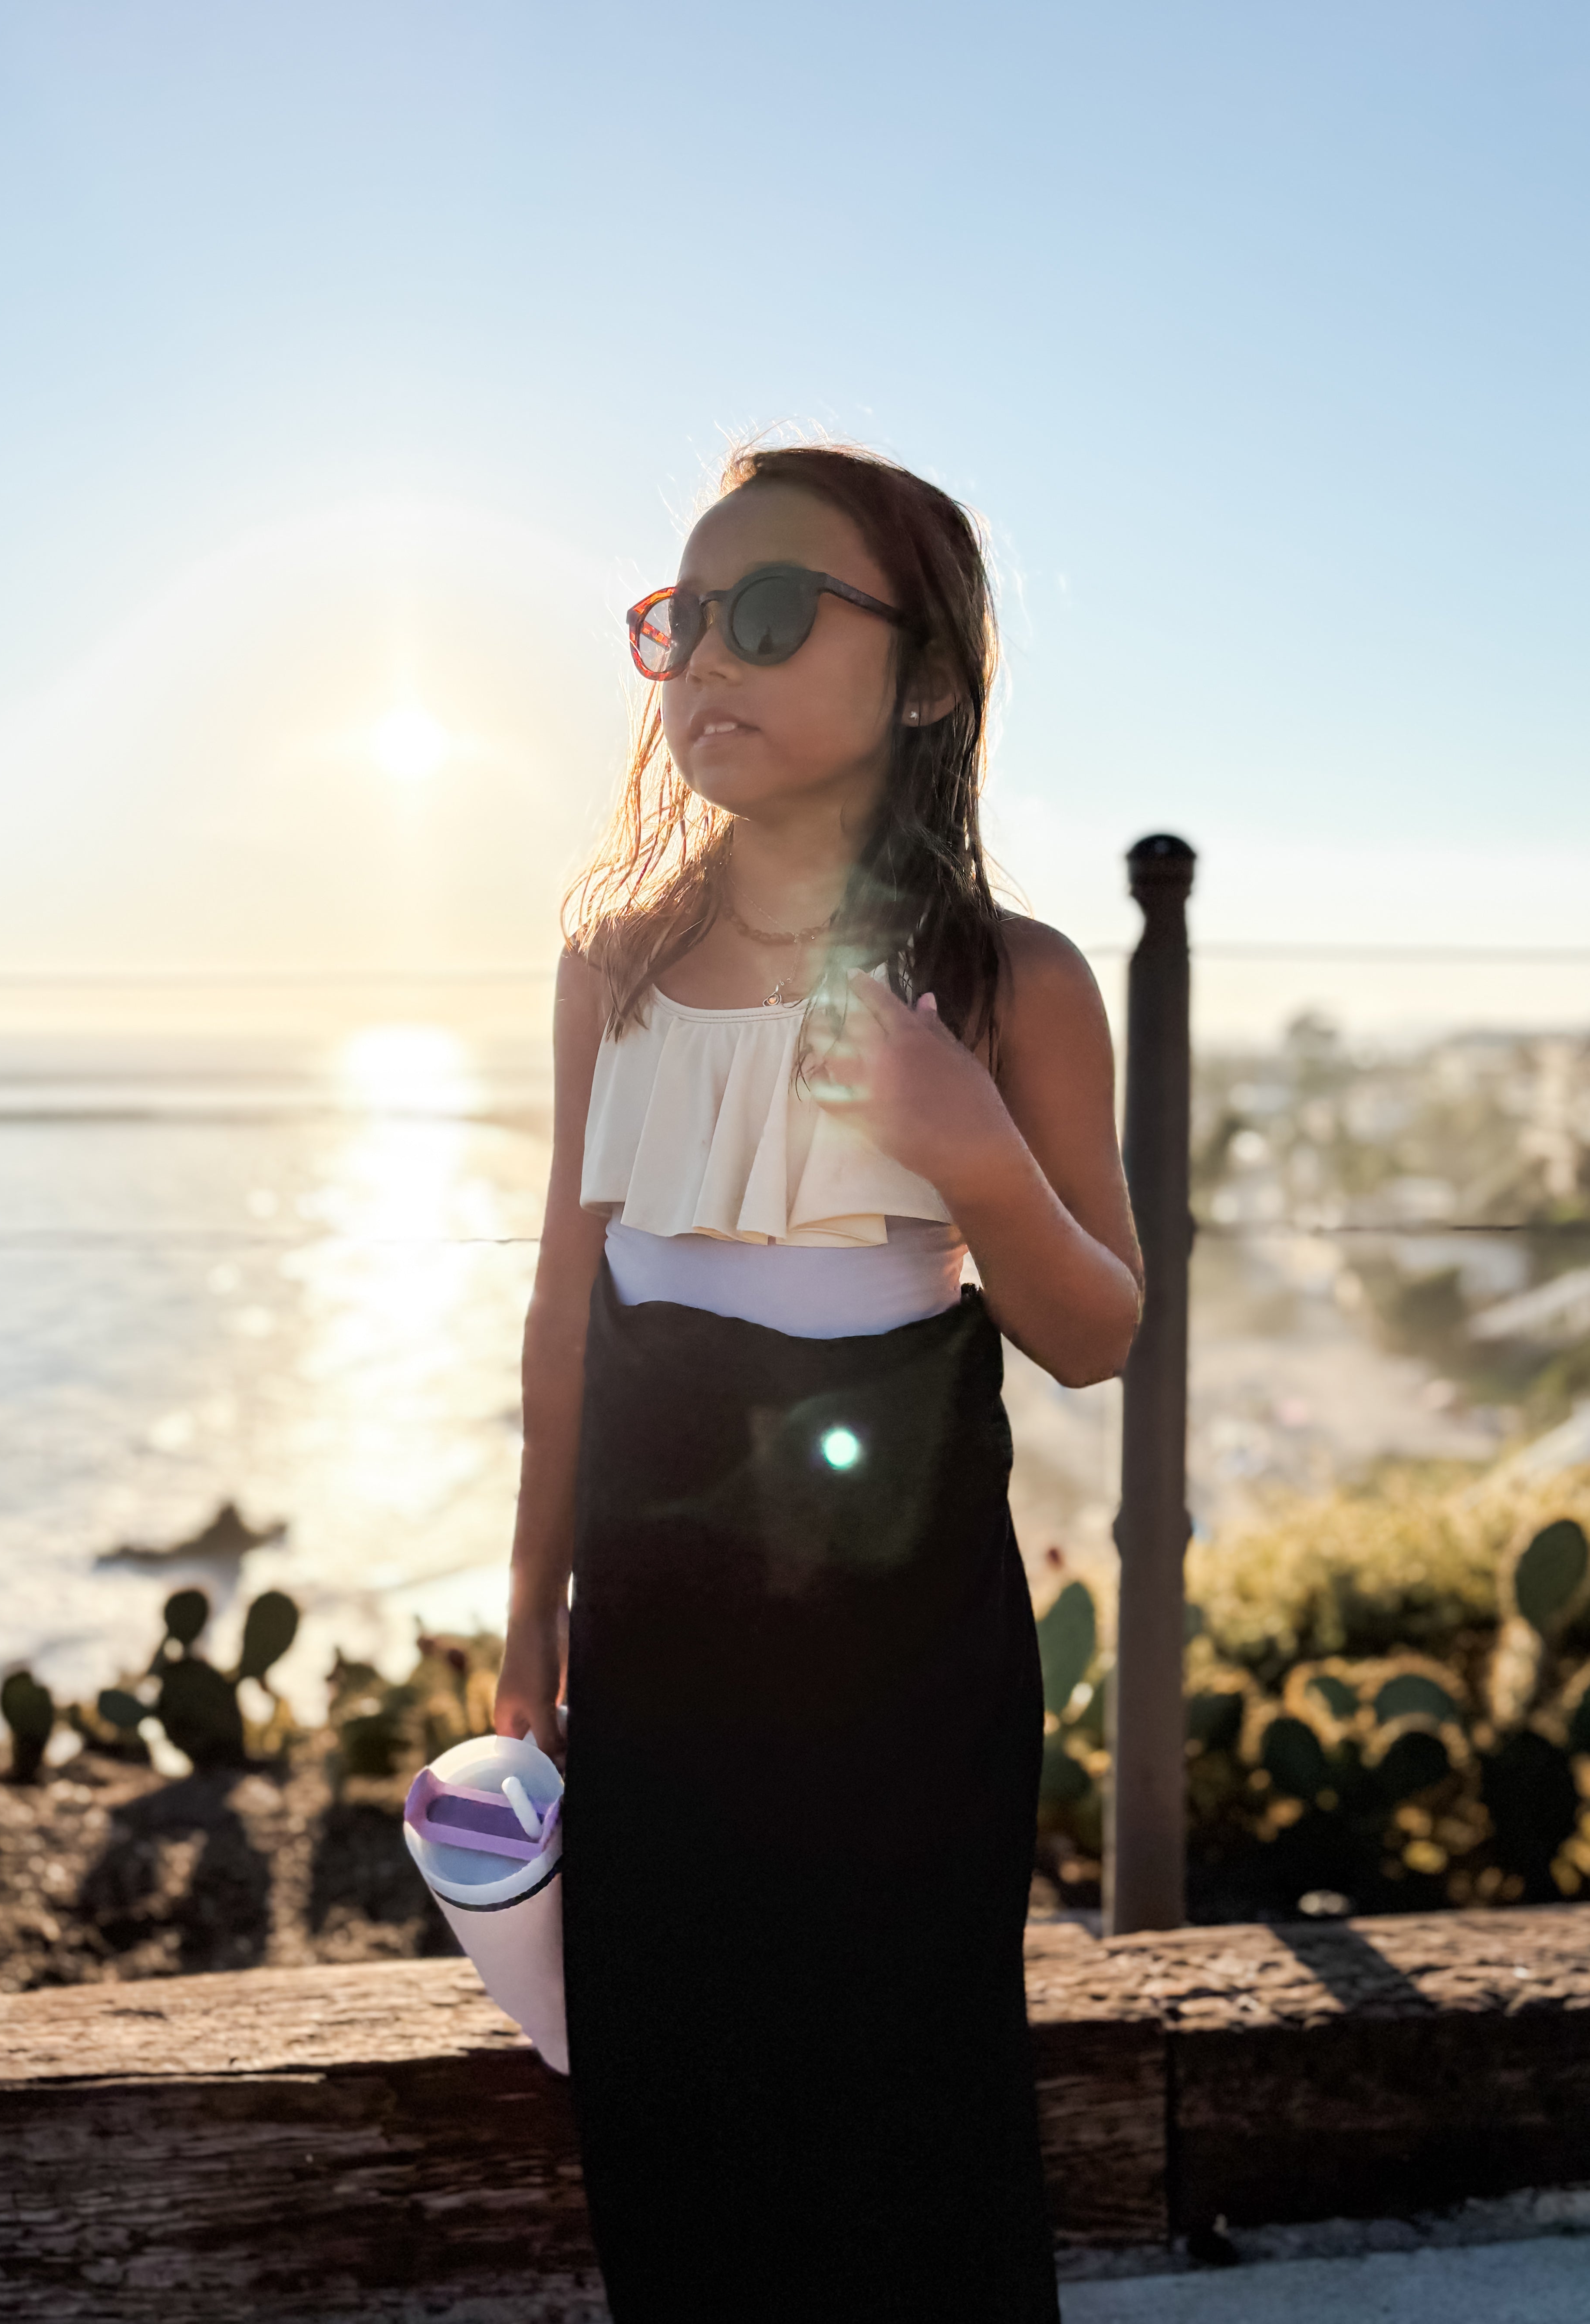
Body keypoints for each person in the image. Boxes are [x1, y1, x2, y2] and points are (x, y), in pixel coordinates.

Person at [495, 440, 1142, 2322]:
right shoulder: (613, 963)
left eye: (769, 613)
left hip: (909, 1661)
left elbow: (1095, 1331)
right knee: (674, 2126)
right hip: (662, 1649)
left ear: (929, 676)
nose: (710, 657)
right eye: (679, 620)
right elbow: (562, 1305)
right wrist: (529, 1627)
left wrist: (970, 1151)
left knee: (909, 2133)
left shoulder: (1013, 979)